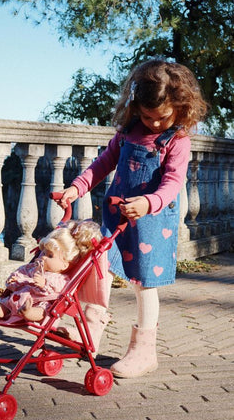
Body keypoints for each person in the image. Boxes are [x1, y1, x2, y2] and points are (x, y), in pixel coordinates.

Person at [55, 58, 208, 377]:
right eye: (147, 116)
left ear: (181, 108)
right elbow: (103, 163)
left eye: (161, 117)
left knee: (143, 284)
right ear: (136, 106)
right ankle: (89, 333)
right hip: (116, 217)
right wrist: (77, 188)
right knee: (100, 270)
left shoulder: (176, 141)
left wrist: (149, 202)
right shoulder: (127, 133)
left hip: (151, 225)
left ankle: (144, 350)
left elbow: (172, 184)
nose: (153, 124)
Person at [0, 220, 102, 324]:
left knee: (43, 310)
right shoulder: (33, 268)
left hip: (37, 303)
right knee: (5, 304)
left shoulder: (60, 278)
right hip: (17, 299)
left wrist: (44, 284)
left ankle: (28, 313)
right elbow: (21, 272)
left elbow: (59, 291)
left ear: (65, 264)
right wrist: (14, 279)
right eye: (43, 253)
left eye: (50, 256)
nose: (43, 257)